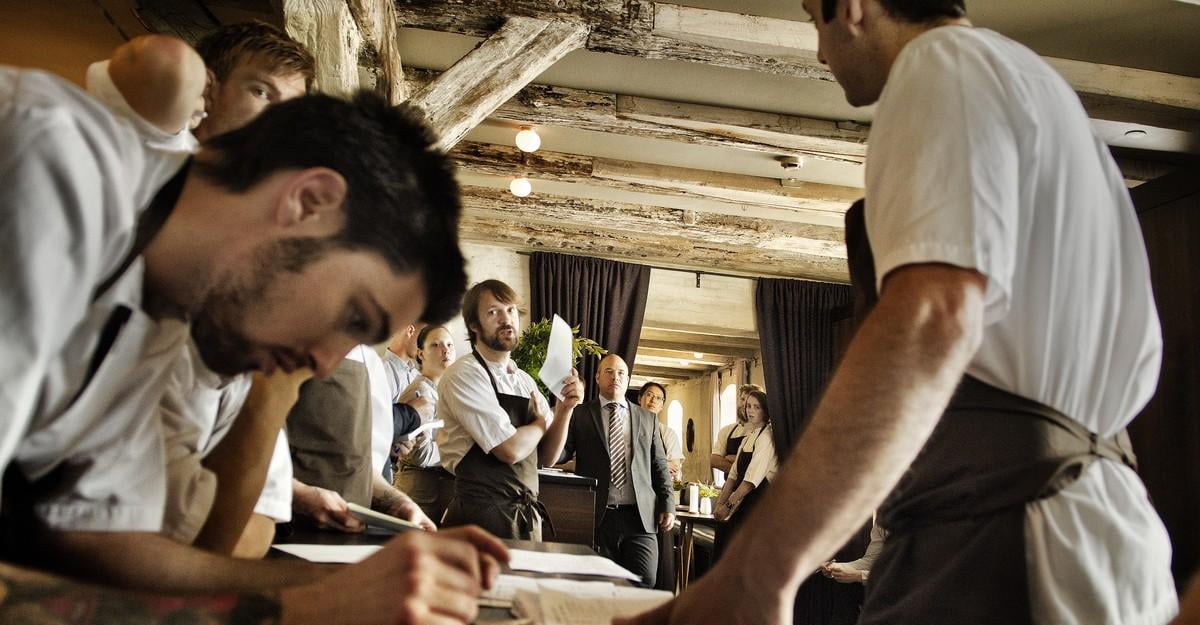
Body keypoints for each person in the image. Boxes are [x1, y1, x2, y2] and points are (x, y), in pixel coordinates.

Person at [620, 0, 1175, 623]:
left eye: (814, 20)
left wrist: (759, 573)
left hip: (1008, 537)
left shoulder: (942, 66)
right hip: (1084, 528)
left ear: (853, 7)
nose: (820, 52)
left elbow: (931, 320)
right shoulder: (1037, 90)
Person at [0, 57, 508, 623]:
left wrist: (357, 585)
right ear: (308, 201)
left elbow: (102, 547)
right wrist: (304, 606)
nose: (323, 365)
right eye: (353, 316)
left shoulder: (164, 317)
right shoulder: (44, 165)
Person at [85, 23, 317, 557]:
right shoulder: (150, 166)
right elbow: (155, 70)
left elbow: (255, 523)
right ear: (208, 91)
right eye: (260, 92)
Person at [437, 279, 584, 540]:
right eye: (493, 312)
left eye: (511, 310)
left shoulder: (524, 380)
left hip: (526, 519)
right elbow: (509, 450)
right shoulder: (464, 374)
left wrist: (564, 409)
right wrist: (539, 423)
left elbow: (546, 457)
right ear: (474, 325)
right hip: (479, 519)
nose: (506, 319)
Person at [559, 355, 675, 587]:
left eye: (621, 373)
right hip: (597, 516)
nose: (616, 377)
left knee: (645, 582)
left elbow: (659, 464)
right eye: (609, 372)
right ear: (597, 377)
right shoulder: (580, 414)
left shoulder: (647, 418)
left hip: (640, 517)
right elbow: (562, 453)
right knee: (598, 585)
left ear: (628, 379)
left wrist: (668, 504)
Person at [395, 324, 458, 523]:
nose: (445, 350)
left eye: (449, 344)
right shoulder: (420, 392)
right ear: (421, 354)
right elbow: (420, 455)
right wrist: (459, 449)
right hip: (417, 498)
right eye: (436, 345)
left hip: (440, 496)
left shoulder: (447, 391)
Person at [711, 390, 777, 561]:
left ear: (766, 410)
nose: (751, 411)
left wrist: (728, 506)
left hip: (758, 505)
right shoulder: (749, 436)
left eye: (757, 407)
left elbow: (750, 480)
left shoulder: (767, 437)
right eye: (748, 406)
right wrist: (720, 504)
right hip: (742, 502)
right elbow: (732, 476)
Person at [710, 383, 763, 479]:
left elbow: (758, 463)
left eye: (749, 402)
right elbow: (714, 460)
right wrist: (742, 472)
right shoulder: (727, 430)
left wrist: (729, 458)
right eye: (742, 399)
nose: (744, 404)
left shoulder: (764, 431)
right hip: (730, 486)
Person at [639, 382, 683, 480]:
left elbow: (674, 469)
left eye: (658, 398)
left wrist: (642, 465)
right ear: (639, 399)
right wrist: (663, 465)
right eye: (649, 395)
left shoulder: (668, 433)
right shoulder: (627, 427)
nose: (653, 400)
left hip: (658, 486)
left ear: (662, 405)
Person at [820, 519, 886, 585]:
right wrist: (836, 566)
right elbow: (870, 561)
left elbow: (892, 575)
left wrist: (859, 575)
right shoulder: (881, 522)